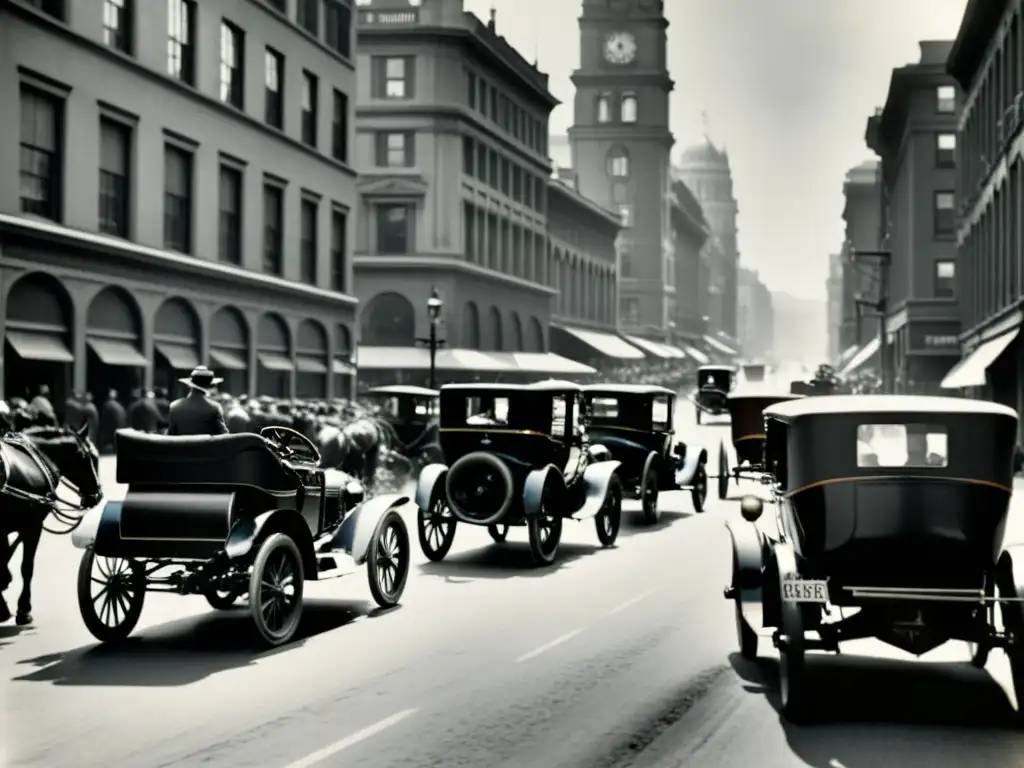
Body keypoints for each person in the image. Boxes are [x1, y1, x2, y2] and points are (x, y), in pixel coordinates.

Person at [167, 366, 229, 436]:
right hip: (206, 446)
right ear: (208, 387)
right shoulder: (214, 407)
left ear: (190, 386)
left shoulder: (175, 406)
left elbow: (171, 435)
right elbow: (224, 436)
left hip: (182, 446)